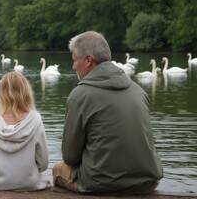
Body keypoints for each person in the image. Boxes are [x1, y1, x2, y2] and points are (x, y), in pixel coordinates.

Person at [52, 31, 163, 194]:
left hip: (100, 183)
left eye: (75, 60)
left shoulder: (79, 95)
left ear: (88, 60)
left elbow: (70, 157)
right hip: (148, 181)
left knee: (59, 168)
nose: (73, 66)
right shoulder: (138, 91)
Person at [0, 71, 51, 191]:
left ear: (1, 94)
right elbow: (43, 164)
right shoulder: (35, 120)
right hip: (30, 184)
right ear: (26, 92)